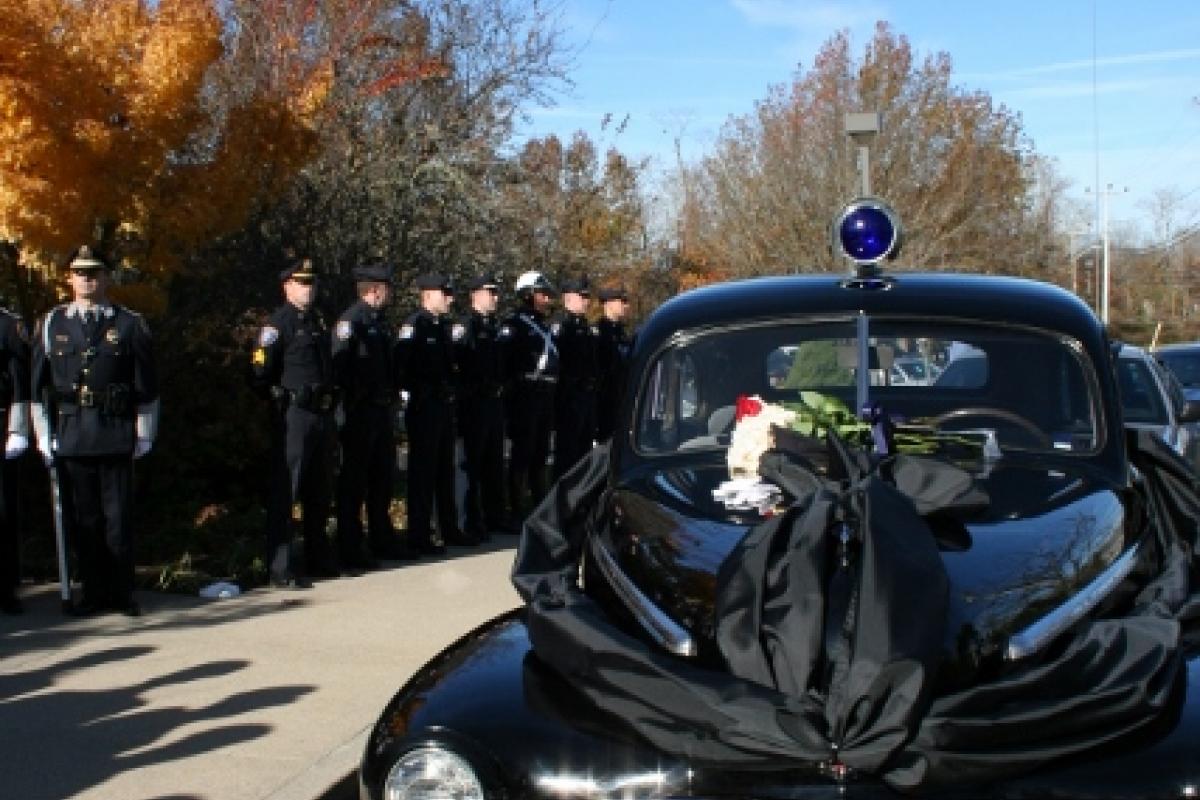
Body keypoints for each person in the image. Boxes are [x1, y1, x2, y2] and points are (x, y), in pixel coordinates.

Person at [30, 246, 158, 616]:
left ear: (107, 278)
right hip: (72, 435)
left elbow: (147, 386)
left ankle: (121, 593)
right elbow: (38, 389)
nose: (87, 279)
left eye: (95, 272)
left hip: (114, 432)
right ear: (68, 278)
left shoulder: (129, 323)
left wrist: (145, 431)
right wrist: (42, 434)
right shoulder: (52, 323)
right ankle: (92, 591)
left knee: (118, 520)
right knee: (84, 520)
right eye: (80, 273)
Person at [250, 257, 340, 587]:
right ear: (286, 286)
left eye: (312, 283)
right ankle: (280, 567)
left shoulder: (316, 321)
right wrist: (279, 401)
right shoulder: (278, 325)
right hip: (294, 415)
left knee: (319, 490)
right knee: (287, 491)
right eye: (302, 283)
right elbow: (260, 373)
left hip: (320, 413)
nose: (309, 288)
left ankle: (318, 558)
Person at [332, 260, 407, 568]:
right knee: (354, 482)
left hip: (379, 411)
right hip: (358, 413)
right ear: (375, 290)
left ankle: (381, 539)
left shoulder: (378, 322)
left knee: (381, 480)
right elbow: (340, 369)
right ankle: (350, 546)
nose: (390, 293)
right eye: (387, 288)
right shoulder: (352, 322)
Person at [395, 272, 466, 554]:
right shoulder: (416, 325)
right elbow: (400, 367)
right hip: (423, 408)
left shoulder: (442, 327)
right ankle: (419, 535)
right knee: (422, 473)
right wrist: (416, 390)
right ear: (427, 295)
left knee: (444, 470)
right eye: (444, 293)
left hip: (442, 407)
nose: (449, 299)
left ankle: (447, 528)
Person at [456, 273, 514, 539]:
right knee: (472, 464)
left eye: (496, 292)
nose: (495, 298)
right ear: (475, 295)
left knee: (493, 463)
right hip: (474, 403)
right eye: (490, 292)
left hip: (494, 402)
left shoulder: (494, 328)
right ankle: (469, 520)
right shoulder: (465, 326)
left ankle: (494, 516)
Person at [504, 271, 557, 518]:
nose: (547, 299)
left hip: (544, 396)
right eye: (542, 294)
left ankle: (540, 506)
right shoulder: (515, 325)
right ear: (527, 295)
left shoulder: (544, 328)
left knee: (540, 454)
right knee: (523, 454)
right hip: (525, 396)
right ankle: (517, 508)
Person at [552, 275, 599, 479]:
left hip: (586, 397)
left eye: (587, 296)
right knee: (567, 456)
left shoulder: (586, 327)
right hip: (568, 398)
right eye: (582, 296)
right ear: (569, 298)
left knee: (584, 452)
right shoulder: (560, 326)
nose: (586, 301)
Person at [0, 305, 30, 614]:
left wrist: (18, 428)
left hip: (0, 423)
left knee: (3, 510)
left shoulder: (8, 324)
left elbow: (20, 381)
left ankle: (5, 588)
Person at [595, 285, 632, 442]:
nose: (626, 305)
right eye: (622, 301)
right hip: (604, 397)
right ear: (608, 303)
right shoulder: (599, 332)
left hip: (620, 395)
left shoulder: (621, 333)